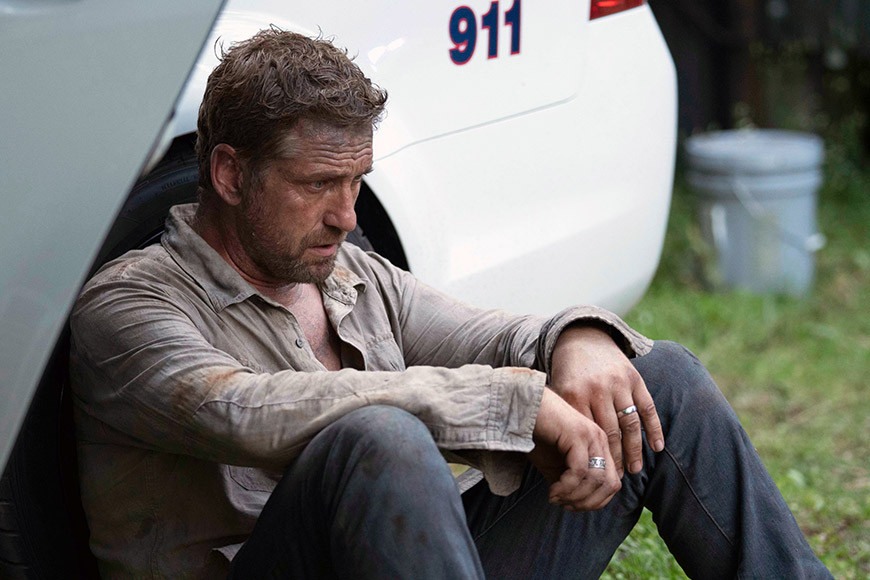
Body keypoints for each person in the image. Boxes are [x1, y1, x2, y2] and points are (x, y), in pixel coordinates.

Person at [69, 28, 832, 579]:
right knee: (380, 437)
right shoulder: (128, 307)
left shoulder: (352, 276)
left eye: (357, 182)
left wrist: (577, 340)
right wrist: (511, 405)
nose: (346, 216)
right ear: (231, 175)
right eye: (318, 185)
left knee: (657, 379)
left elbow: (486, 332)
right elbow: (250, 411)